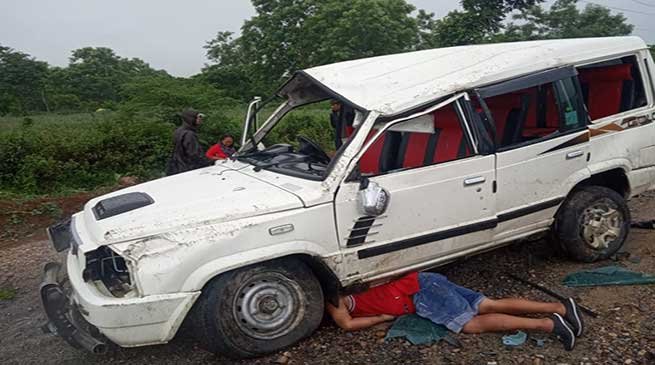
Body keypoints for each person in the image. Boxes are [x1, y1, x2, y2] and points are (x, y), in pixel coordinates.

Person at [326, 272, 584, 351]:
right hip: (425, 280)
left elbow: (347, 324)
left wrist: (382, 318)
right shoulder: (349, 275)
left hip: (418, 293)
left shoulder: (331, 297)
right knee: (487, 304)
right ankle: (561, 307)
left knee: (471, 324)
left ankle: (550, 325)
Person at [166, 108, 211, 176]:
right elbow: (194, 155)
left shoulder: (178, 130)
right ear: (191, 119)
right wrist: (210, 162)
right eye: (198, 117)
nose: (200, 119)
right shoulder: (189, 134)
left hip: (176, 166)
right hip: (187, 168)